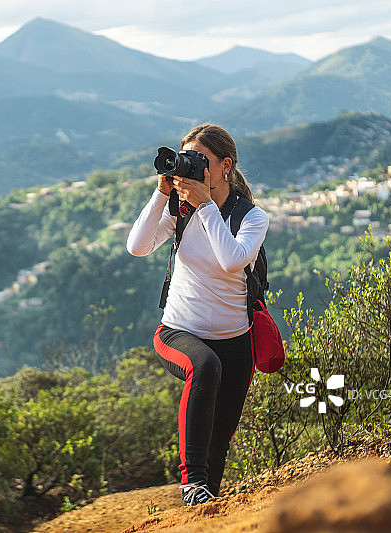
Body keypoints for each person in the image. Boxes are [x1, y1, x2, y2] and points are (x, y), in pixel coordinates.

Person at [126, 124, 269, 506]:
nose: (191, 167)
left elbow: (232, 261)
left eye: (199, 160)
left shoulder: (252, 218)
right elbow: (137, 246)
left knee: (220, 438)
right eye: (186, 157)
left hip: (236, 341)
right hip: (179, 332)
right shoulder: (180, 211)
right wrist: (161, 194)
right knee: (204, 368)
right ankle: (192, 484)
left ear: (226, 165)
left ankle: (204, 507)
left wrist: (205, 205)